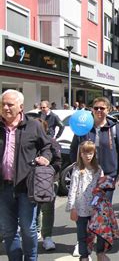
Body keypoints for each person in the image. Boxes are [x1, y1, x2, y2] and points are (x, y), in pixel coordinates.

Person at [69, 97, 119, 256]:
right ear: (92, 110)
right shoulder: (84, 127)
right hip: (86, 176)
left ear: (108, 110)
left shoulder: (113, 127)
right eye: (96, 108)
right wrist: (77, 168)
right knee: (84, 212)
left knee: (101, 214)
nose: (99, 111)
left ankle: (100, 250)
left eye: (102, 108)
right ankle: (83, 247)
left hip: (107, 178)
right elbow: (74, 149)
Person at [0, 89, 52, 261]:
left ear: (21, 107)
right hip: (3, 187)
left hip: (26, 187)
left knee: (28, 229)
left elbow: (47, 146)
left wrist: (45, 157)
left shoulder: (33, 126)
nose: (5, 108)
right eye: (3, 104)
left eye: (10, 104)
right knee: (8, 230)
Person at [66, 141, 106, 261]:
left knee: (97, 232)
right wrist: (72, 208)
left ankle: (99, 252)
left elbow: (101, 188)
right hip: (81, 208)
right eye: (85, 153)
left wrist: (99, 204)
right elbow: (72, 189)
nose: (88, 156)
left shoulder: (98, 169)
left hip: (95, 208)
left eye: (90, 153)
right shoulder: (77, 170)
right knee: (82, 234)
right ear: (80, 154)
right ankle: (84, 256)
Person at [35, 118, 62, 251]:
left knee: (47, 209)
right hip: (31, 182)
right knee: (33, 209)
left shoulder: (52, 143)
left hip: (49, 181)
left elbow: (58, 162)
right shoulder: (29, 142)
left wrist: (48, 171)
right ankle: (36, 231)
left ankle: (47, 237)